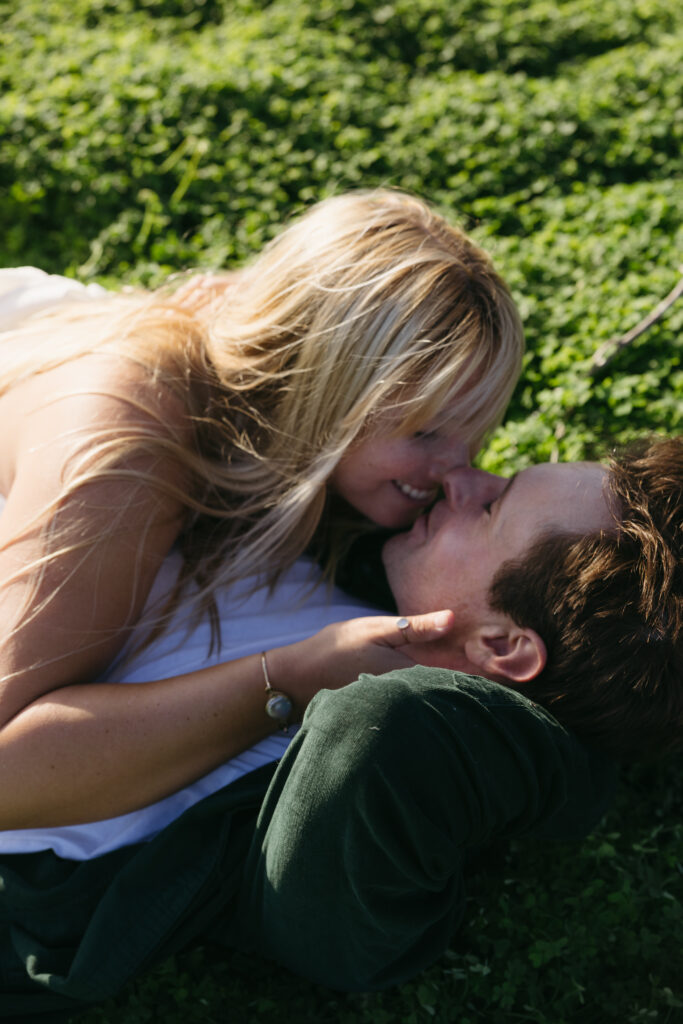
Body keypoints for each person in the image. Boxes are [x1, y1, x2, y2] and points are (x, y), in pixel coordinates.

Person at [1, 438, 679, 1016]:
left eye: (491, 507)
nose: (461, 477)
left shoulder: (351, 800)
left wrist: (288, 682)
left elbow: (385, 732)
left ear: (502, 647)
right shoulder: (351, 554)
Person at [0, 189, 524, 833]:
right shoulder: (131, 451)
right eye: (425, 434)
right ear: (325, 389)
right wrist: (287, 679)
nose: (458, 473)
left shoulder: (268, 348)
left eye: (474, 432)